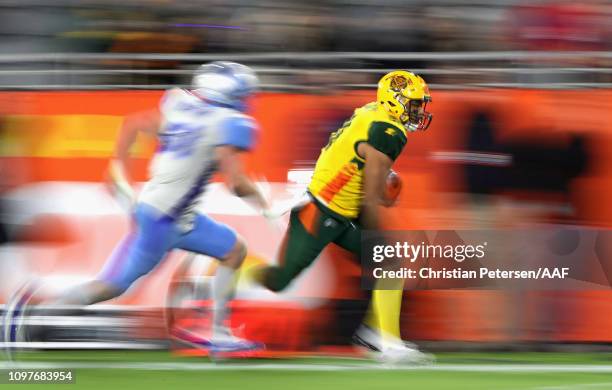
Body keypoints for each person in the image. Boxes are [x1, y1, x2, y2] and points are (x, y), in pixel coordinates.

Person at [5, 61, 271, 353]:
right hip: (165, 220)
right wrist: (264, 203)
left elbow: (134, 123)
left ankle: (219, 335)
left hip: (169, 213)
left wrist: (117, 165)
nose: (247, 101)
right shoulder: (228, 122)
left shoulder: (182, 104)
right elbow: (235, 181)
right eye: (244, 94)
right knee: (112, 286)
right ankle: (37, 313)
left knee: (234, 250)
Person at [252, 70, 433, 363]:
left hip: (344, 210)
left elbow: (359, 162)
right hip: (320, 212)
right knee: (279, 280)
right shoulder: (389, 131)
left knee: (389, 262)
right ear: (395, 101)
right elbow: (372, 195)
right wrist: (377, 231)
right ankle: (239, 273)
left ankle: (382, 337)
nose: (419, 111)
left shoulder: (374, 112)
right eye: (414, 104)